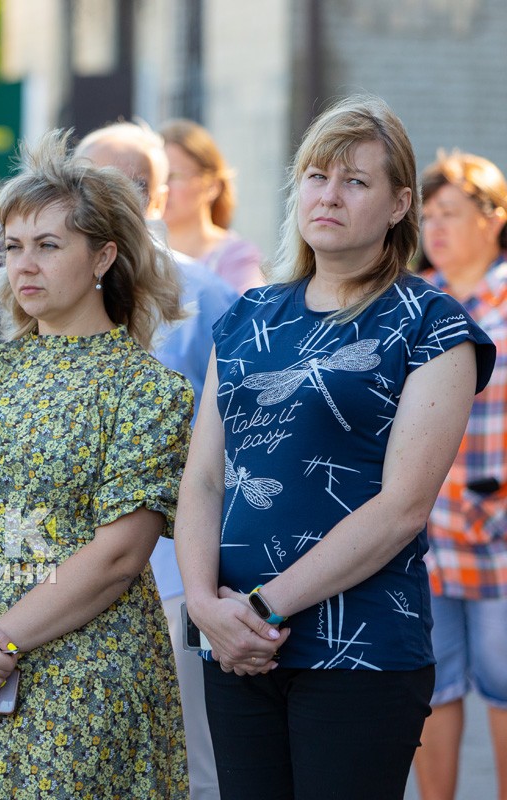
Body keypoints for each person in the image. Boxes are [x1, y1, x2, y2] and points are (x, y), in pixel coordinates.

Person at [175, 96, 496, 800]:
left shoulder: (431, 325)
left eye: (356, 181)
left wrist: (261, 612)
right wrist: (203, 606)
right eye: (317, 176)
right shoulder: (250, 315)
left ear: (397, 204)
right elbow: (203, 479)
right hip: (231, 643)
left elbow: (403, 507)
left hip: (361, 650)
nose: (329, 195)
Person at [0, 130, 193, 798]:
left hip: (82, 674)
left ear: (103, 256)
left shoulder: (146, 389)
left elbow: (118, 555)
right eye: (14, 247)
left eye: (49, 246)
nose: (24, 265)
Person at [75, 119, 236, 800]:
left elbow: (227, 447)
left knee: (190, 759)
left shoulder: (207, 300)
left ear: (152, 194)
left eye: (109, 182)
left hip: (170, 571)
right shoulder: (44, 295)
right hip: (62, 569)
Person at [413, 151, 507, 800]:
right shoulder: (416, 302)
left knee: (505, 690)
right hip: (423, 534)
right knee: (431, 688)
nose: (435, 228)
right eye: (426, 216)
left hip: (500, 532)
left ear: (493, 219)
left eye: (450, 213)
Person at [159, 118, 264, 293]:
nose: (163, 188)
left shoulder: (237, 257)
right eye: (158, 177)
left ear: (211, 186)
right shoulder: (140, 254)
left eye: (174, 176)